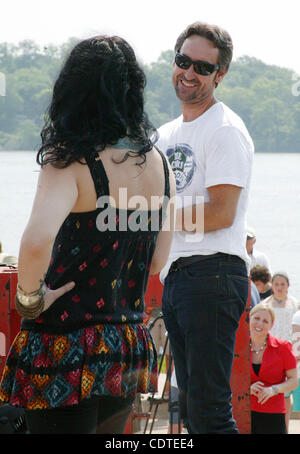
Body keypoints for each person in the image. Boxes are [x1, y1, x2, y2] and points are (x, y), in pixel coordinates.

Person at [0, 35, 176, 434]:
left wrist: (30, 299)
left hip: (64, 346)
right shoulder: (162, 166)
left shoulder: (71, 159)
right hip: (125, 347)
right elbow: (156, 263)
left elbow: (35, 241)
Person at [155, 21, 254, 434]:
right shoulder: (164, 134)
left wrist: (152, 213)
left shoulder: (225, 129)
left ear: (220, 75)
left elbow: (221, 213)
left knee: (210, 410)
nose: (189, 73)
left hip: (213, 273)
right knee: (192, 410)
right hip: (177, 277)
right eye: (183, 61)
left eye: (202, 67)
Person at [250, 303, 298, 434]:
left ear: (271, 325)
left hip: (274, 415)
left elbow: (294, 381)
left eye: (265, 321)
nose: (260, 324)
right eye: (257, 318)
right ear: (250, 319)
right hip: (244, 412)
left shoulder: (283, 347)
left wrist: (274, 389)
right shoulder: (238, 348)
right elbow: (228, 379)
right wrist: (247, 390)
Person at [263, 271, 299, 430]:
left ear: (288, 286)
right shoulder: (265, 304)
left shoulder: (295, 304)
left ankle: (285, 427)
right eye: (276, 284)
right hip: (272, 351)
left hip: (292, 353)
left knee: (288, 394)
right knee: (275, 391)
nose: (279, 287)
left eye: (282, 284)